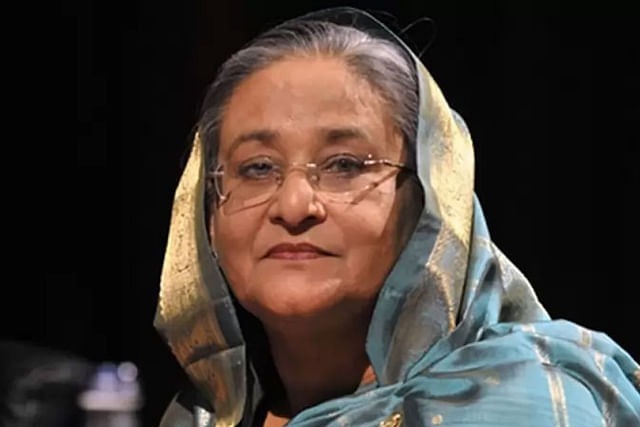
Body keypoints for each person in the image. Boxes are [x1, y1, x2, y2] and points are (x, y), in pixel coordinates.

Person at [152, 7, 640, 427]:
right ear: (207, 216)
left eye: (345, 165)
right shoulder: (200, 416)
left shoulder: (520, 402)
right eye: (258, 168)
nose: (295, 205)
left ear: (430, 206)